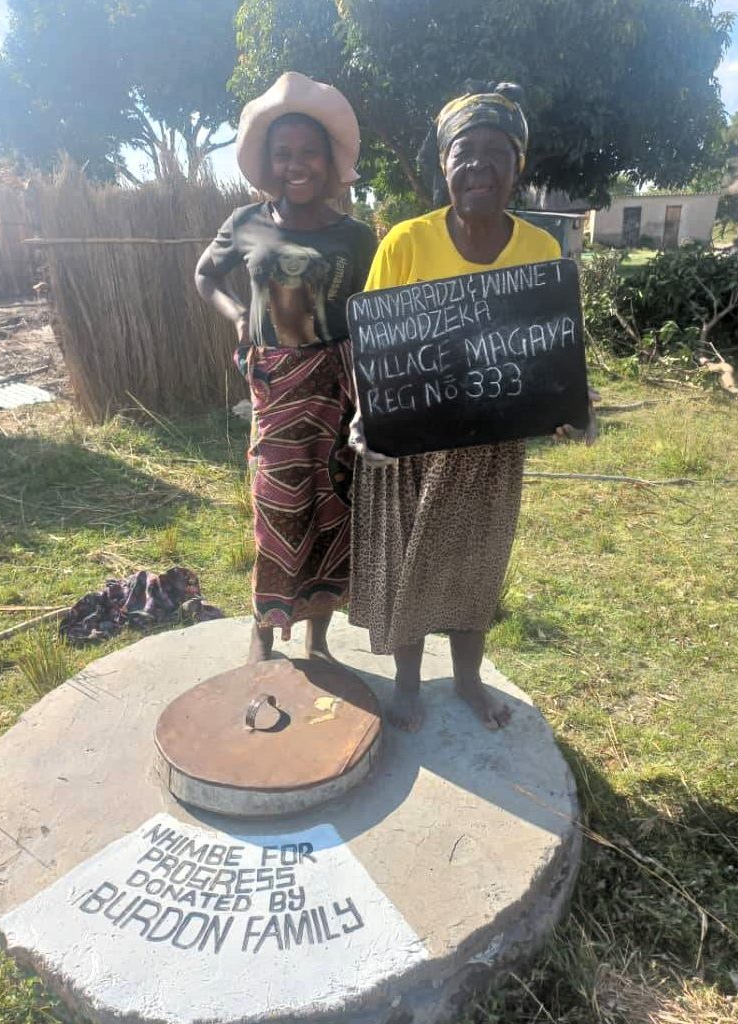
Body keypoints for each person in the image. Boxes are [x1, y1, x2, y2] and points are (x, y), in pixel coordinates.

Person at [348, 82, 597, 731]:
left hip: (491, 450)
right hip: (410, 447)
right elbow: (373, 346)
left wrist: (572, 408)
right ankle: (407, 683)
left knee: (475, 566)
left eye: (496, 152)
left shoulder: (541, 252)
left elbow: (553, 353)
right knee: (409, 563)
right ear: (444, 164)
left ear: (518, 167)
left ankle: (465, 680)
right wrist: (364, 416)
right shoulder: (406, 242)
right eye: (465, 151)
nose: (478, 165)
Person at [195, 72, 377, 663]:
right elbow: (204, 275)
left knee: (331, 512)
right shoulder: (246, 222)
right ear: (269, 163)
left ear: (327, 161)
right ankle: (264, 632)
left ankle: (320, 640)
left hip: (336, 392)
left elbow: (375, 311)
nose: (296, 164)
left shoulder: (356, 237)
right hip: (274, 390)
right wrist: (235, 316)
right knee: (275, 508)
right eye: (283, 154)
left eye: (309, 153)